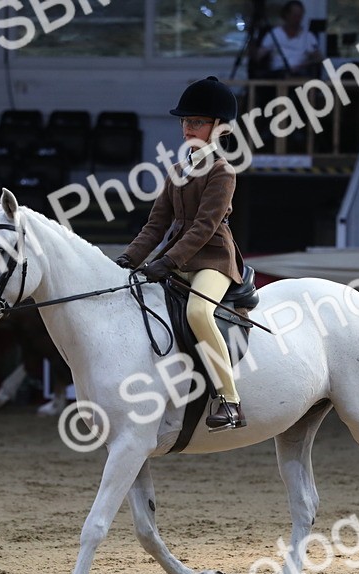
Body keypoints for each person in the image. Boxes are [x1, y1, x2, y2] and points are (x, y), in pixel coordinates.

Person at [115, 77, 248, 431]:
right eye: (186, 121)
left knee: (198, 312)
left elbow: (204, 227)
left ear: (218, 128)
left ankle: (230, 401)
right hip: (176, 259)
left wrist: (166, 261)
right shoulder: (176, 171)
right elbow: (156, 224)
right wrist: (128, 259)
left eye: (197, 122)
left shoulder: (222, 172)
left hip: (213, 259)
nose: (188, 128)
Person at [254, 0, 323, 78]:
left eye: (299, 16)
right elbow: (258, 56)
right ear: (286, 15)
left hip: (300, 75)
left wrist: (303, 65)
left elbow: (319, 58)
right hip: (278, 75)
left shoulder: (308, 36)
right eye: (294, 16)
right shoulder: (274, 33)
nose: (297, 19)